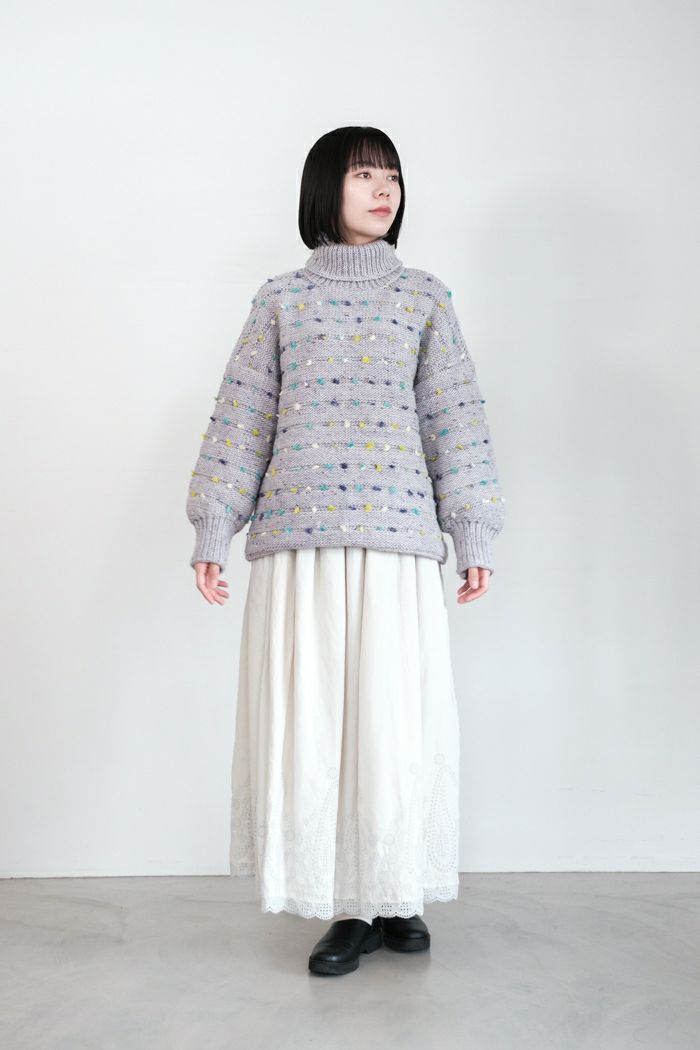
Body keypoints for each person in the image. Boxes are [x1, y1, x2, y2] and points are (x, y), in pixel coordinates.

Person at [185, 126, 505, 976]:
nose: (383, 188)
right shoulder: (281, 300)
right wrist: (214, 525)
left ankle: (397, 891)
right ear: (325, 187)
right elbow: (242, 415)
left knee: (395, 723)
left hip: (396, 542)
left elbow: (455, 417)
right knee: (319, 724)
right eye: (365, 173)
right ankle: (348, 905)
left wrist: (472, 527)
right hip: (302, 543)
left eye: (392, 175)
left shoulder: (424, 298)